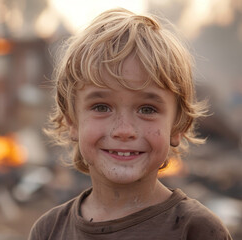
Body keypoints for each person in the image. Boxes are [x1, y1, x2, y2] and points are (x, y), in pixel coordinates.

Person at [28, 8, 233, 240]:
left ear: (178, 126)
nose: (124, 130)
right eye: (101, 107)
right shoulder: (49, 231)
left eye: (147, 109)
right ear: (72, 121)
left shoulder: (197, 230)